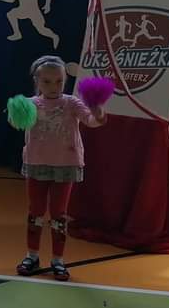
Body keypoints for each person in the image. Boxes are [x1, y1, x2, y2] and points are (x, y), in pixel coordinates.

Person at [16, 56, 106, 281]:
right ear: (37, 81)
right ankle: (32, 256)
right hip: (37, 163)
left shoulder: (72, 102)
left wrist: (98, 111)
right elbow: (19, 122)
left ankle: (58, 260)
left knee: (59, 214)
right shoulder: (29, 104)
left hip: (65, 165)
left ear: (65, 81)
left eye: (59, 81)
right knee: (35, 211)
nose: (53, 86)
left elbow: (92, 121)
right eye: (47, 82)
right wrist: (17, 113)